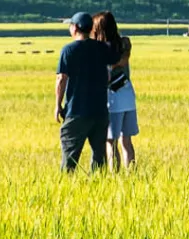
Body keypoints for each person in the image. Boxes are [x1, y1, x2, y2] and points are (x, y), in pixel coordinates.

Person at [54, 12, 113, 172]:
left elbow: (61, 79)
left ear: (75, 28)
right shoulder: (102, 48)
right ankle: (99, 187)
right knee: (99, 157)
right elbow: (108, 74)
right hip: (100, 111)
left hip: (77, 111)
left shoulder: (69, 50)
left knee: (69, 159)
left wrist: (58, 105)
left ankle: (66, 188)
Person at [94, 11, 137, 170]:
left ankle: (114, 175)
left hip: (112, 99)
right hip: (128, 97)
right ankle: (131, 174)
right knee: (126, 141)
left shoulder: (102, 49)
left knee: (110, 141)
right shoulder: (124, 44)